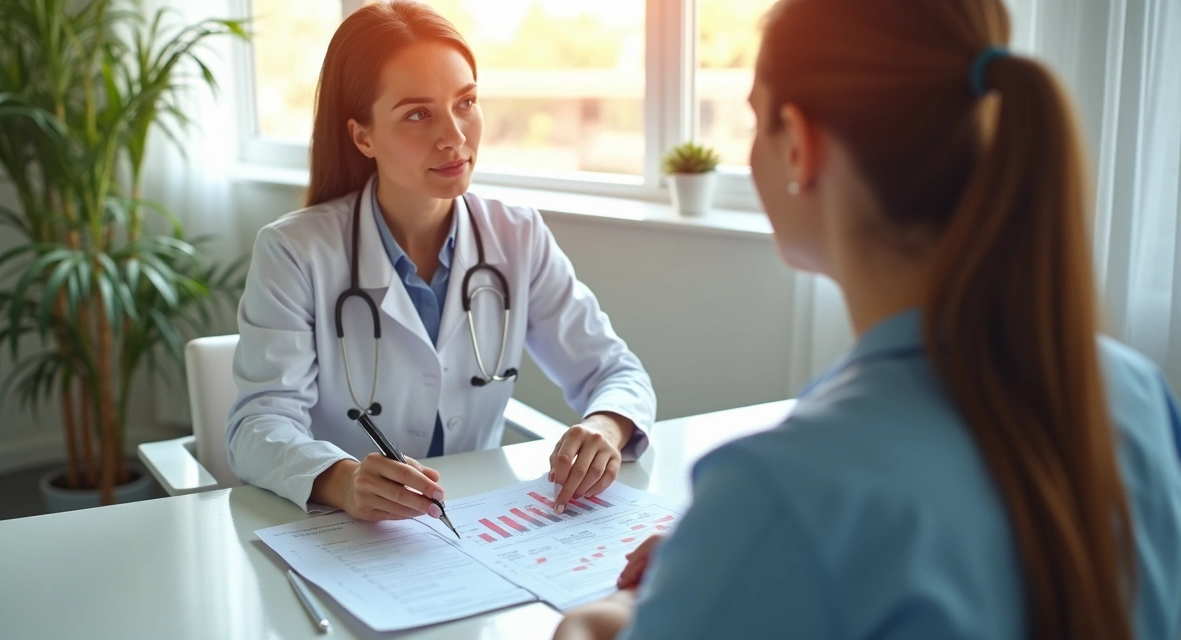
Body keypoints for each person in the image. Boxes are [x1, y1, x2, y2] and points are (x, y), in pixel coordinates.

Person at [555, 0, 1181, 638]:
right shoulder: (1136, 391)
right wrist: (723, 560)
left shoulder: (778, 490)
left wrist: (600, 618)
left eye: (754, 121)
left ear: (799, 145)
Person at [227, 0, 655, 522]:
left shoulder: (517, 236)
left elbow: (614, 370)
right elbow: (258, 425)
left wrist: (606, 426)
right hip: (345, 533)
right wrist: (343, 481)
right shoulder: (294, 251)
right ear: (363, 135)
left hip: (480, 524)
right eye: (417, 114)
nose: (454, 135)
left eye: (466, 102)